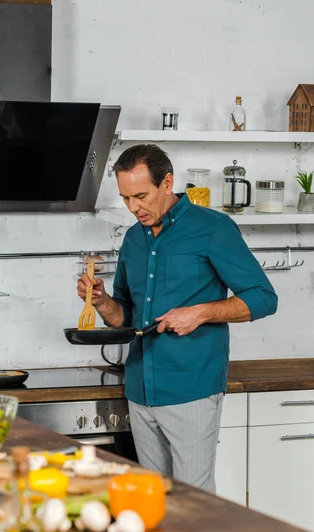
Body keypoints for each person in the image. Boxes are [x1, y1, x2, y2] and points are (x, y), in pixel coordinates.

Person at [77, 144, 278, 492]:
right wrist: (102, 302)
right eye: (125, 198)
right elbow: (125, 315)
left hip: (192, 388)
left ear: (167, 183)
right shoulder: (132, 239)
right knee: (153, 501)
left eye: (140, 195)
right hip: (141, 389)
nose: (133, 207)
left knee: (195, 504)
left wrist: (200, 313)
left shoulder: (213, 228)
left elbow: (263, 298)